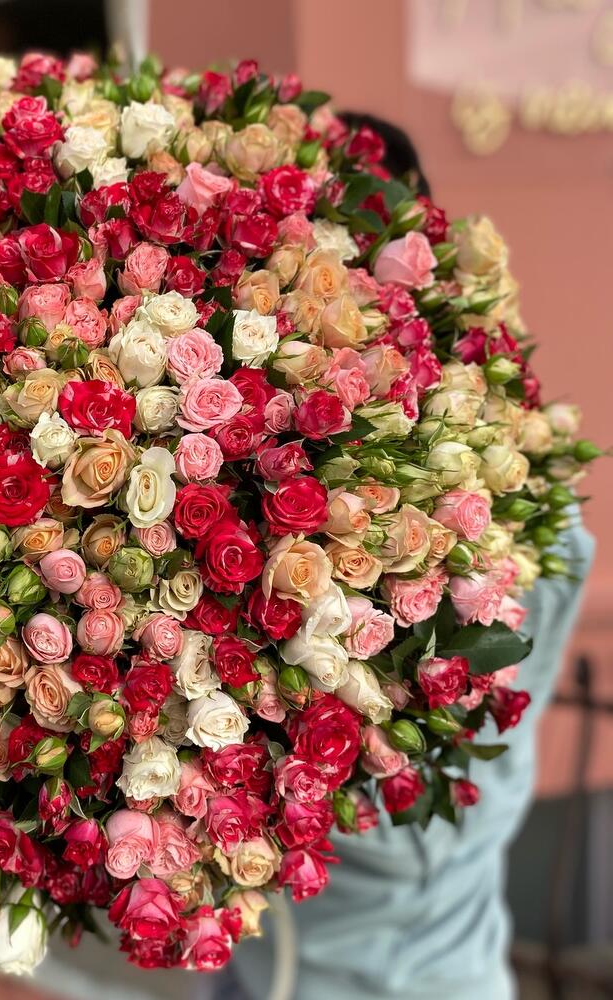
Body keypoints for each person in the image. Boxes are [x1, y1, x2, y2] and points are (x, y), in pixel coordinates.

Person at [216, 113, 597, 1000]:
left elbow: (418, 826)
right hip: (268, 965)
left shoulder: (520, 528)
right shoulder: (254, 494)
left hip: (414, 968)